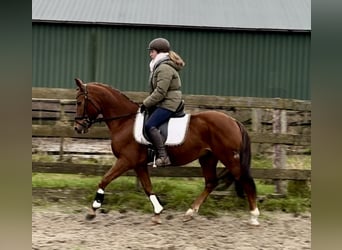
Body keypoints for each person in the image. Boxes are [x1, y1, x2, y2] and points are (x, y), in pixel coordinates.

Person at [140, 37, 185, 167]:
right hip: (164, 101)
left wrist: (145, 103)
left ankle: (163, 156)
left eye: (152, 51)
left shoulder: (164, 68)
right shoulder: (160, 66)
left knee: (150, 125)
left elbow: (160, 92)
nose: (150, 54)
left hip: (168, 103)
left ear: (159, 53)